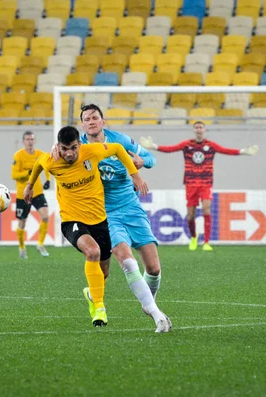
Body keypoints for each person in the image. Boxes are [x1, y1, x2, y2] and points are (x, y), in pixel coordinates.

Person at [25, 126, 170, 332]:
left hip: (99, 219)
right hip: (72, 220)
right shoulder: (52, 159)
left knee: (105, 272)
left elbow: (119, 149)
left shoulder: (93, 151)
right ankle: (101, 307)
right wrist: (29, 186)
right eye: (64, 148)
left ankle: (94, 295)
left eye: (73, 148)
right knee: (94, 252)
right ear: (58, 147)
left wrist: (135, 175)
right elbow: (38, 164)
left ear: (80, 145)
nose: (69, 153)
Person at [78, 103, 171, 332]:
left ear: (103, 121)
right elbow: (60, 157)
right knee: (127, 262)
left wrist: (142, 161)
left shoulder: (120, 140)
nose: (91, 121)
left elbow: (150, 159)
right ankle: (156, 314)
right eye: (86, 119)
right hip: (104, 213)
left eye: (94, 117)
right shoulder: (78, 147)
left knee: (154, 269)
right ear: (82, 124)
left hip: (131, 207)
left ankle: (142, 301)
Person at [140, 121, 259, 251]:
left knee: (206, 209)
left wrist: (243, 151)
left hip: (206, 183)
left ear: (204, 130)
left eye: (201, 127)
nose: (198, 129)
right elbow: (171, 149)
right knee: (190, 214)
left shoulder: (210, 145)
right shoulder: (187, 144)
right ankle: (193, 237)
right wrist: (154, 146)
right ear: (194, 130)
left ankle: (207, 242)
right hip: (191, 184)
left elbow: (226, 151)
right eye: (196, 127)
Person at [12, 131, 52, 259]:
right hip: (22, 193)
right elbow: (14, 175)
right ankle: (22, 247)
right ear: (23, 141)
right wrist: (28, 173)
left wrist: (48, 180)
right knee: (22, 222)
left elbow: (46, 167)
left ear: (35, 141)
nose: (30, 141)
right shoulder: (18, 156)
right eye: (27, 139)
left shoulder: (40, 154)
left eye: (32, 139)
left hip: (37, 192)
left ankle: (40, 244)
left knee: (45, 216)